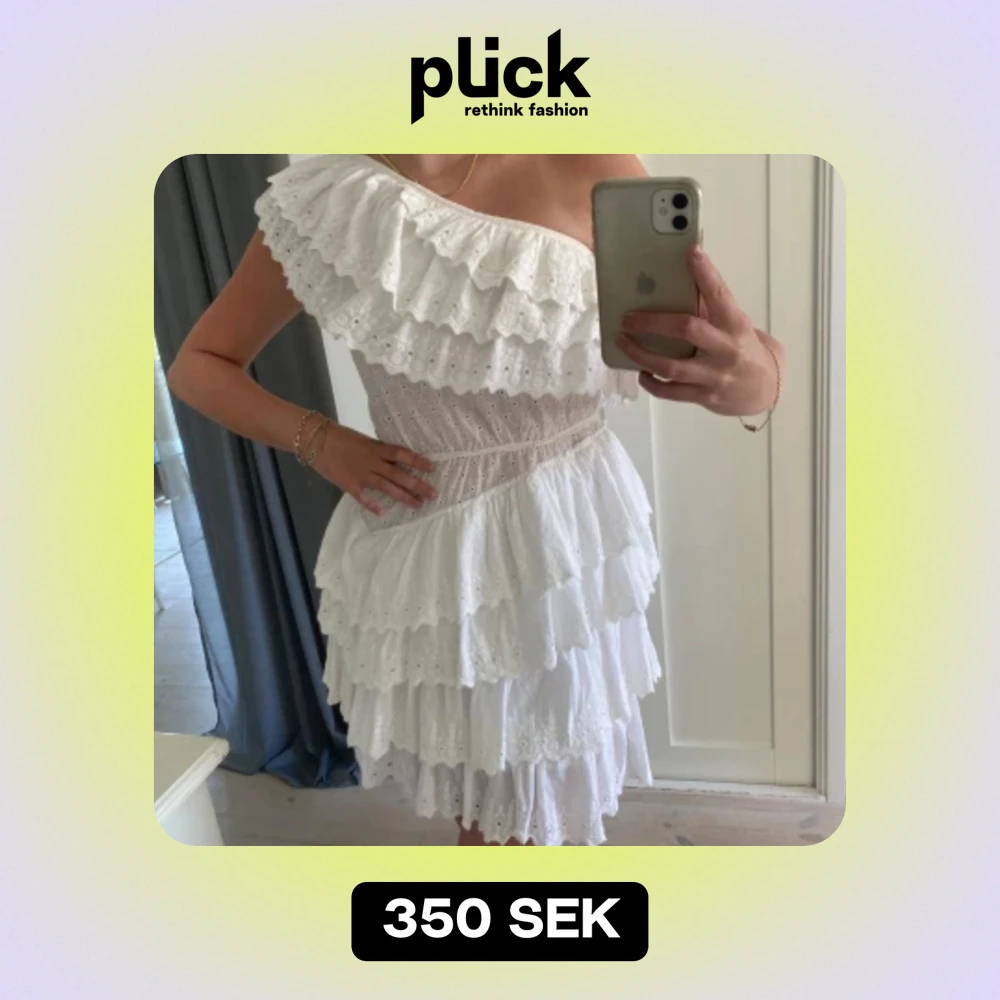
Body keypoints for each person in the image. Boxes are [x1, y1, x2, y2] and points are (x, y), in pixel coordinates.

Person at [167, 154, 783, 846]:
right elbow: (200, 365)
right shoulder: (327, 201)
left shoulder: (585, 160)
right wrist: (322, 440)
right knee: (501, 818)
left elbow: (744, 353)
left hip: (571, 536)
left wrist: (756, 380)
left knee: (544, 802)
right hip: (444, 555)